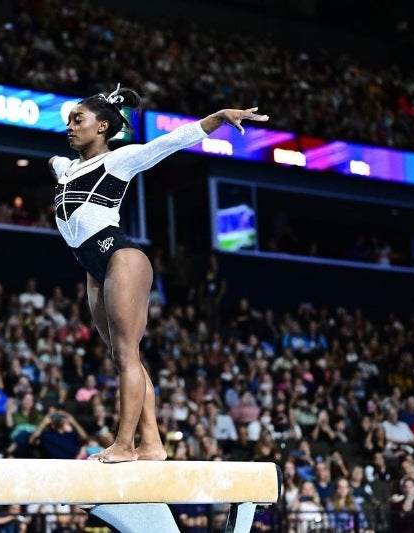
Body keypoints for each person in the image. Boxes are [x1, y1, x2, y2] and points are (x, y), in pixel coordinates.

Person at [48, 83, 268, 462]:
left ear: (102, 127)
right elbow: (54, 164)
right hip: (91, 265)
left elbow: (169, 143)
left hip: (120, 256)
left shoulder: (119, 160)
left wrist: (216, 118)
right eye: (69, 120)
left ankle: (125, 444)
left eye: (78, 119)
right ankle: (152, 444)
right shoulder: (66, 168)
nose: (70, 126)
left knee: (128, 357)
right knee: (124, 358)